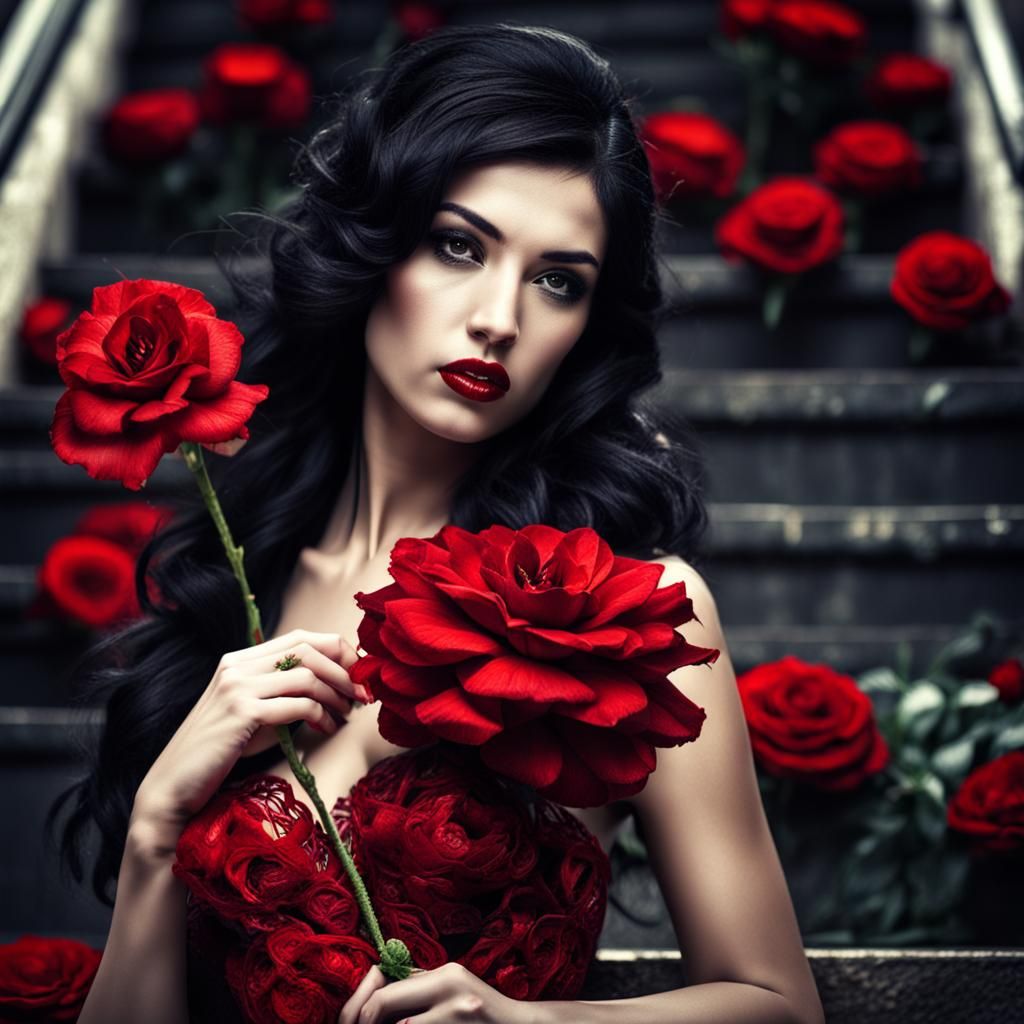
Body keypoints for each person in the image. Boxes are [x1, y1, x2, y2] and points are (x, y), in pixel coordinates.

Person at [52, 22, 826, 1024]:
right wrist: (158, 830)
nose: (499, 316)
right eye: (458, 246)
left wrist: (528, 1022)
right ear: (374, 248)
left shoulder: (633, 614)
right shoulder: (245, 574)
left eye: (559, 281)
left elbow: (777, 1004)